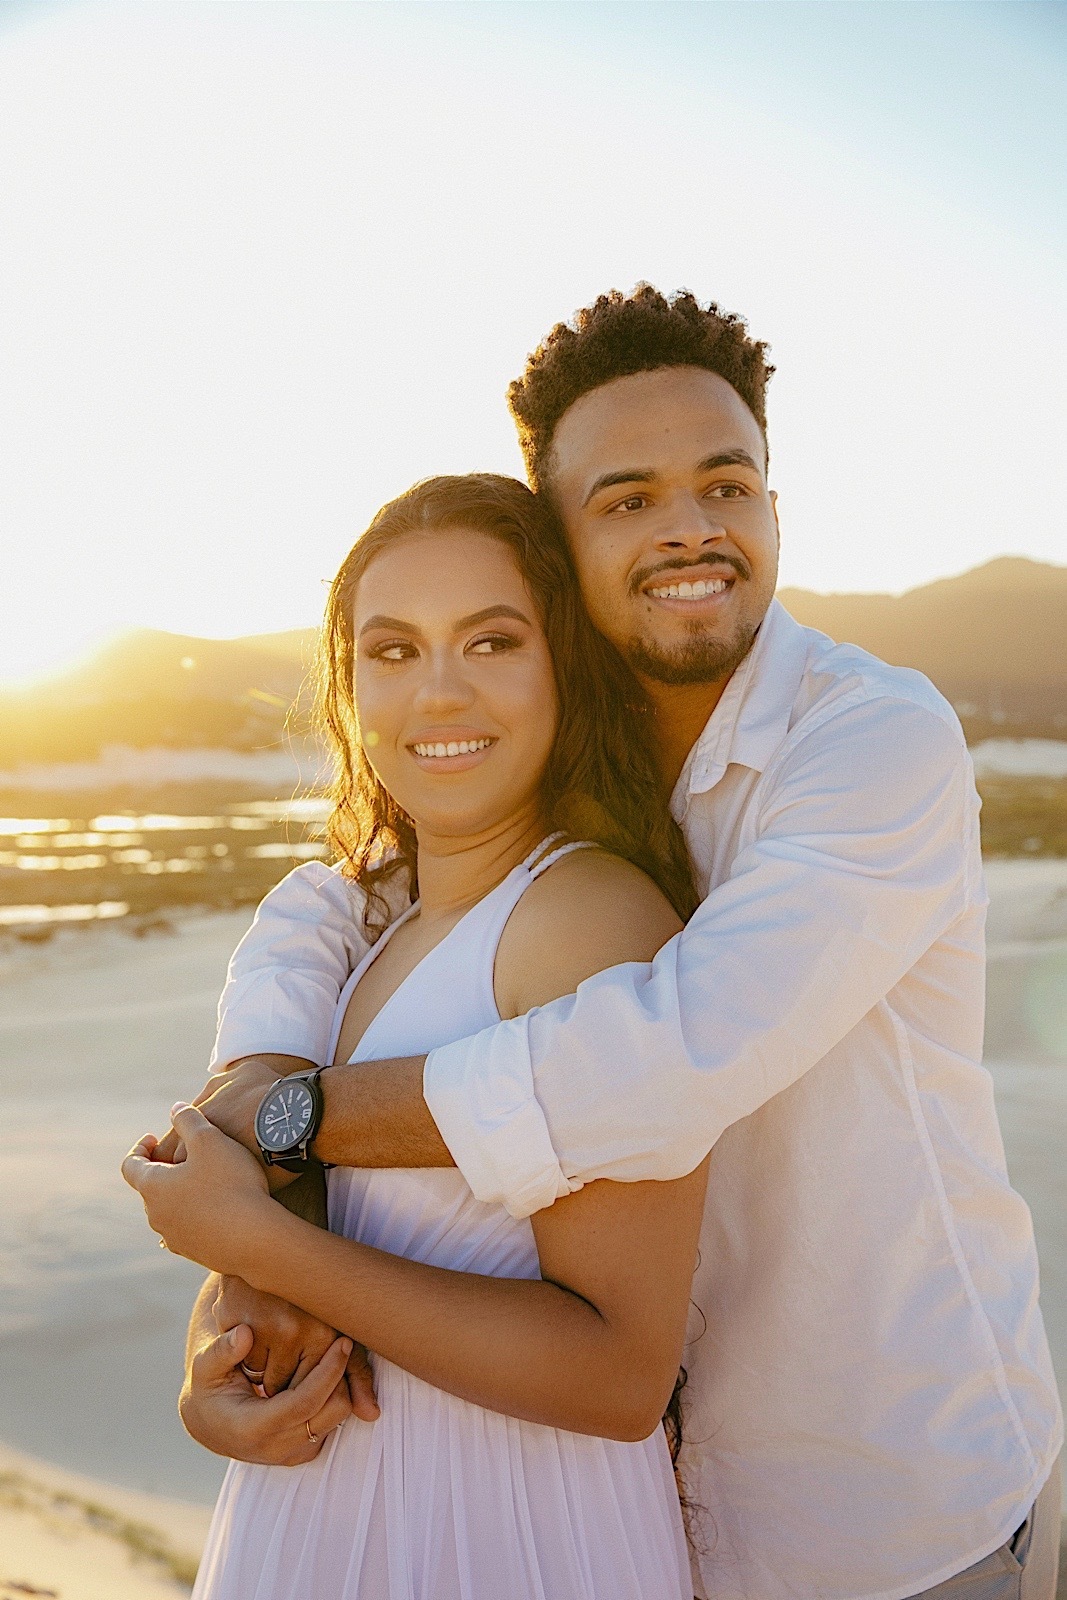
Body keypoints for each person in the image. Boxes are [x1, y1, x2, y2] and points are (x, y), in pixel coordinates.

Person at [159, 288, 1061, 1600]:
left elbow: (660, 1062)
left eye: (725, 484)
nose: (688, 526)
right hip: (625, 1523)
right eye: (625, 497)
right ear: (561, 549)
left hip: (879, 1501)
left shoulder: (868, 742)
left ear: (770, 505)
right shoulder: (548, 773)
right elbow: (334, 909)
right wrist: (234, 1288)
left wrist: (277, 1134)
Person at [124, 472, 706, 1599]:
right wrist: (217, 1361)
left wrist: (260, 1242)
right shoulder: (368, 919)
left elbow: (617, 1373)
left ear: (562, 667)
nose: (437, 692)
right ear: (347, 690)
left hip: (508, 1535)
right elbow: (291, 1200)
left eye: (490, 642)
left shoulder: (582, 919)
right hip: (324, 1518)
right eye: (391, 651)